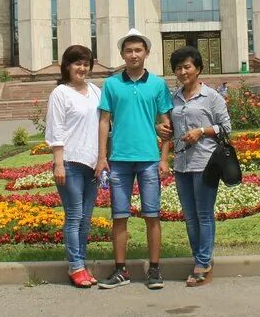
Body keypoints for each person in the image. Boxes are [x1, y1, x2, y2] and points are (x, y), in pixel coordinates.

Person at [96, 28, 172, 290]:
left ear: (147, 53)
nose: (133, 54)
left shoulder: (158, 85)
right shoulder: (112, 84)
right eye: (128, 50)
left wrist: (164, 158)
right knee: (119, 215)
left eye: (138, 50)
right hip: (119, 159)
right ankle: (120, 270)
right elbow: (104, 122)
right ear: (122, 54)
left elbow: (166, 123)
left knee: (152, 215)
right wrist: (101, 156)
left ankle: (155, 270)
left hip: (149, 159)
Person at [160, 45, 232, 286]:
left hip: (205, 163)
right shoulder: (174, 98)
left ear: (198, 68)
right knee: (189, 216)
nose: (182, 72)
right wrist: (160, 130)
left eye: (187, 67)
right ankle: (199, 258)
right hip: (181, 165)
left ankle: (203, 262)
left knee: (203, 214)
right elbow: (167, 130)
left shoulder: (212, 97)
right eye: (178, 68)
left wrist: (201, 131)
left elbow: (226, 129)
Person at [45, 45, 102, 288]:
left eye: (86, 63)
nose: (82, 68)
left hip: (92, 163)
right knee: (74, 216)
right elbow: (55, 128)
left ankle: (81, 262)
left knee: (86, 219)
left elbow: (104, 125)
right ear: (67, 66)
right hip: (70, 162)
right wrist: (59, 162)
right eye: (77, 63)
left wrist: (103, 158)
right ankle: (75, 266)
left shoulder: (96, 91)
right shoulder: (61, 93)